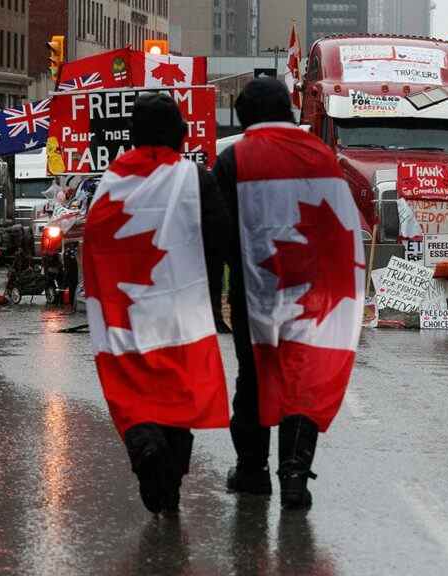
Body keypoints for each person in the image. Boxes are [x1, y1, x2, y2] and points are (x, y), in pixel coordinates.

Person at [212, 78, 365, 510]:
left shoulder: (233, 159)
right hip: (316, 293)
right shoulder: (322, 157)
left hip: (253, 292)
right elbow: (344, 229)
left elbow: (218, 233)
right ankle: (295, 476)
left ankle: (253, 472)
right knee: (304, 379)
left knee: (255, 377)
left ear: (244, 117)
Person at [82, 93, 230, 514]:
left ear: (132, 135)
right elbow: (220, 233)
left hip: (126, 308)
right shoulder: (194, 178)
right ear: (180, 135)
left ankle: (145, 444)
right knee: (178, 390)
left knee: (132, 388)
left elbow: (95, 243)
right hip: (180, 307)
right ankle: (172, 476)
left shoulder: (111, 180)